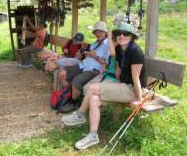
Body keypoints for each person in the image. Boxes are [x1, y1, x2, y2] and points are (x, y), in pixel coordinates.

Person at [61, 21, 146, 150]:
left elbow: (136, 78)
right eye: (119, 34)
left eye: (126, 34)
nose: (122, 36)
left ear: (132, 36)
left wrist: (139, 99)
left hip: (132, 89)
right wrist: (111, 32)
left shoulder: (135, 51)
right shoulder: (120, 48)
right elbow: (113, 54)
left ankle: (80, 114)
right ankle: (93, 135)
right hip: (122, 85)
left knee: (92, 87)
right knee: (94, 99)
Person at [58, 21, 110, 112]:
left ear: (105, 32)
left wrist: (95, 56)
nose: (98, 34)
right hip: (84, 65)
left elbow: (107, 63)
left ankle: (74, 103)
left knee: (76, 81)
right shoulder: (95, 43)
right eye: (96, 32)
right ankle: (68, 95)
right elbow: (88, 52)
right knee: (62, 73)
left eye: (100, 31)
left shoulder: (108, 45)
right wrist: (84, 53)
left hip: (94, 70)